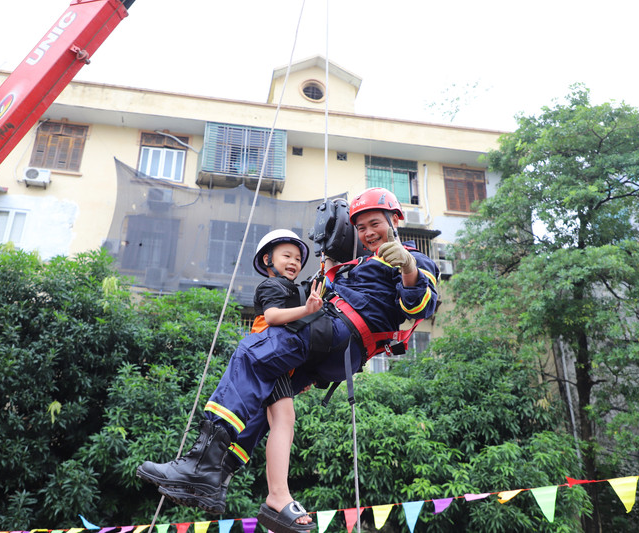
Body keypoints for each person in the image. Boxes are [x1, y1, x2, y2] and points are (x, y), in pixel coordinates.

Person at [137, 187, 439, 533]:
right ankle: (224, 479)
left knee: (252, 352)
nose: (368, 233)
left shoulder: (410, 259)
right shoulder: (355, 264)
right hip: (331, 344)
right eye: (361, 228)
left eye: (374, 224)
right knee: (268, 396)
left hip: (342, 332)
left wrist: (409, 267)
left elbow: (418, 307)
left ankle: (200, 463)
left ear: (395, 220)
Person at [250, 229, 322, 530]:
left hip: (273, 359)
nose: (293, 262)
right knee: (284, 419)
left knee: (282, 420)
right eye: (286, 256)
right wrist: (306, 310)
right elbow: (274, 316)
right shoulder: (271, 285)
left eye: (297, 258)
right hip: (266, 356)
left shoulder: (288, 288)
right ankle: (278, 494)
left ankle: (277, 497)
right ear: (268, 259)